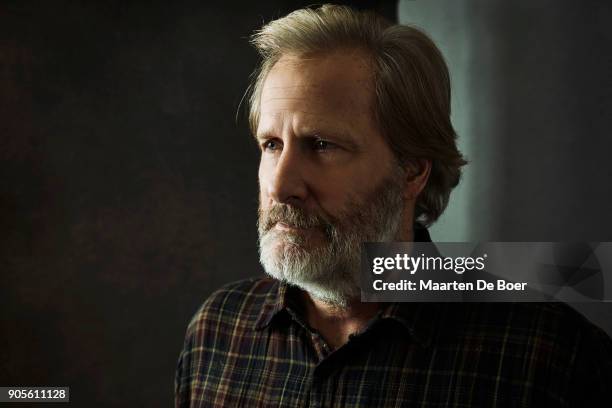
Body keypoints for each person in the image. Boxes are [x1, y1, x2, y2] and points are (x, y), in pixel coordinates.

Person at [175, 4, 611, 407]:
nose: (281, 184)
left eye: (322, 145)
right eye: (271, 144)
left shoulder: (545, 354)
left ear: (412, 172)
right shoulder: (217, 332)